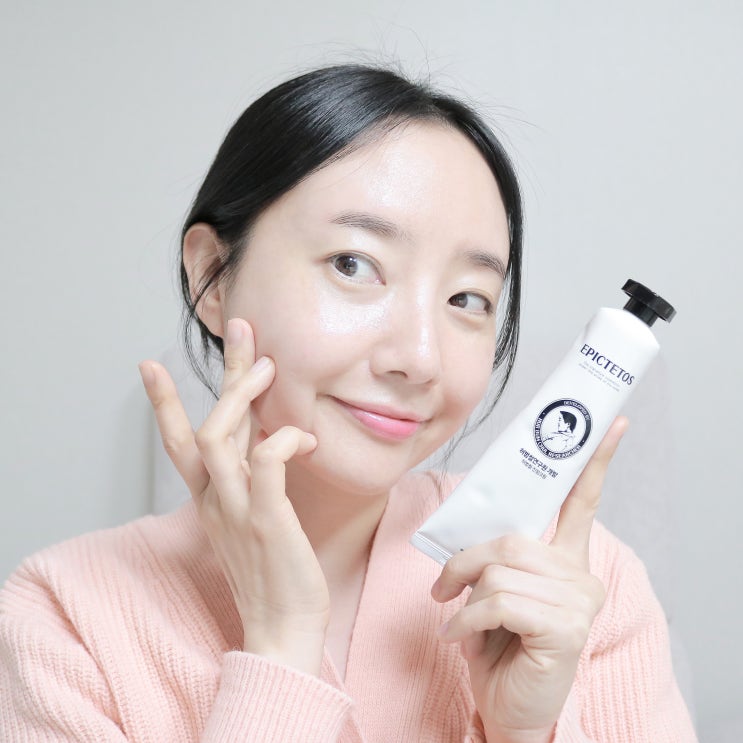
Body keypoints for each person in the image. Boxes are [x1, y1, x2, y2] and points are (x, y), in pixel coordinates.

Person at [0, 64, 696, 742]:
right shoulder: (63, 618)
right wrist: (280, 649)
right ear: (211, 274)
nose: (419, 357)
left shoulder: (574, 589)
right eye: (353, 264)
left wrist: (524, 731)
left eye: (467, 299)